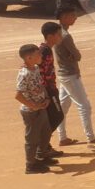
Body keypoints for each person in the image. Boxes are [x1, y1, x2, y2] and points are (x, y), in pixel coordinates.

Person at [54, 5, 95, 146]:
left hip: (63, 74)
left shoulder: (57, 32)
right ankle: (91, 138)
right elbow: (77, 56)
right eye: (73, 15)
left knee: (63, 107)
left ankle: (62, 137)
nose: (75, 18)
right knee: (84, 106)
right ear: (64, 17)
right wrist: (74, 56)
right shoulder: (65, 36)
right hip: (70, 74)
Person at [16, 43, 56, 174]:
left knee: (46, 132)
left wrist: (46, 98)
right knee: (32, 139)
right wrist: (34, 106)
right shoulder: (24, 73)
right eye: (38, 54)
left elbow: (41, 85)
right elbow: (18, 95)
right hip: (31, 112)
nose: (41, 56)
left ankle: (41, 157)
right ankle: (30, 165)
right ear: (29, 58)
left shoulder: (35, 68)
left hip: (41, 108)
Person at [38, 22, 65, 159]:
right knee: (57, 116)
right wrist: (46, 92)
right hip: (48, 90)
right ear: (50, 36)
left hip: (49, 88)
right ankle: (41, 144)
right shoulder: (44, 51)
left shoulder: (46, 49)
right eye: (58, 34)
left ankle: (45, 146)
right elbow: (39, 70)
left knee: (50, 118)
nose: (60, 37)